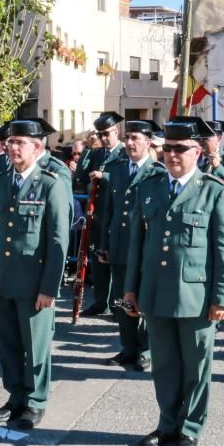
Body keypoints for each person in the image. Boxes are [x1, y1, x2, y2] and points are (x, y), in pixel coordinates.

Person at [123, 117, 224, 446]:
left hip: (197, 298)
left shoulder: (215, 190)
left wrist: (221, 297)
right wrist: (131, 289)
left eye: (180, 149)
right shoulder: (150, 187)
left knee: (196, 367)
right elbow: (137, 245)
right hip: (156, 294)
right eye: (167, 148)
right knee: (165, 365)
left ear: (198, 152)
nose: (172, 155)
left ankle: (190, 428)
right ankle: (167, 423)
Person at [0, 119, 69, 429]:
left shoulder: (50, 183)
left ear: (37, 147)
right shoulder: (2, 182)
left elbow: (58, 241)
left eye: (20, 142)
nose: (12, 147)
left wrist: (50, 287)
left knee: (35, 347)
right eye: (10, 142)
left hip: (34, 284)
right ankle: (15, 396)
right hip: (3, 279)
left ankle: (35, 401)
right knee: (8, 345)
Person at [97, 119, 164, 371]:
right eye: (128, 137)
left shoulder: (158, 172)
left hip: (145, 248)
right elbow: (108, 211)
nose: (130, 142)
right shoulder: (116, 169)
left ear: (148, 142)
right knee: (120, 300)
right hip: (119, 245)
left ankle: (146, 349)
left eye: (136, 138)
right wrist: (104, 244)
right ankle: (128, 347)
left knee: (144, 298)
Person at [77, 111, 127, 317]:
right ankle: (100, 302)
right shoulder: (97, 153)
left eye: (107, 133)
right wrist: (88, 150)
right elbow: (80, 176)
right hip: (97, 215)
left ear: (116, 131)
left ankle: (118, 305)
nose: (104, 138)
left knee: (115, 261)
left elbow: (124, 178)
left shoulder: (124, 153)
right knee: (98, 261)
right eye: (100, 135)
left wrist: (104, 176)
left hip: (115, 214)